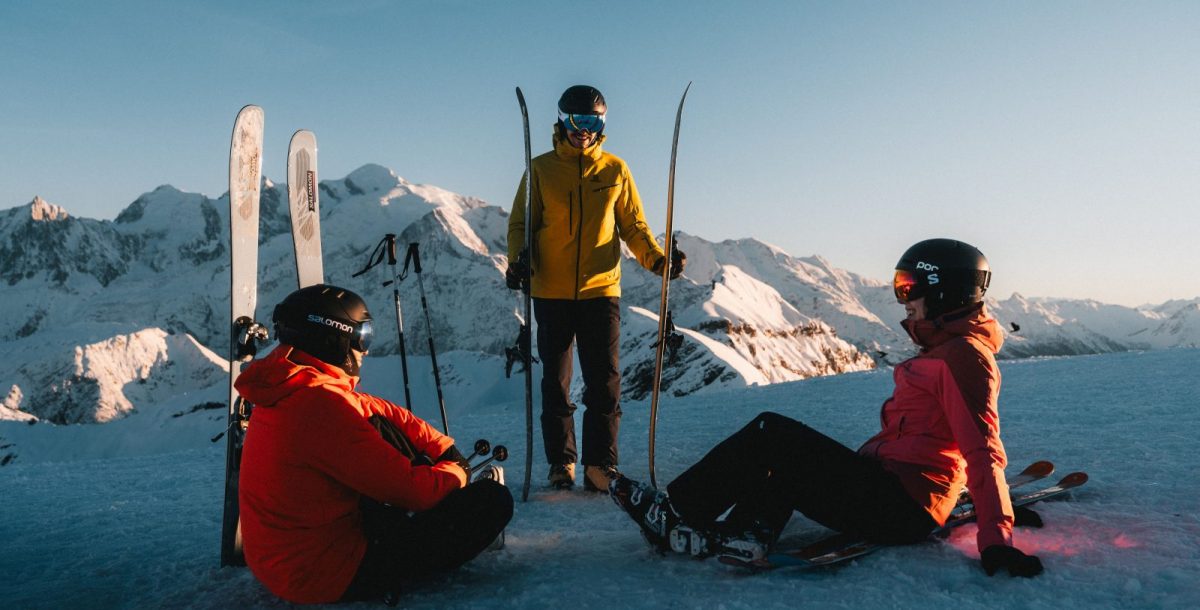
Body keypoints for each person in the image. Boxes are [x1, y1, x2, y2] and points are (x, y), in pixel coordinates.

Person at [609, 238, 1046, 578]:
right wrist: (963, 494)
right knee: (786, 467)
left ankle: (676, 512)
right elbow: (938, 442)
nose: (902, 298)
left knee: (771, 433)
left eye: (909, 286)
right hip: (895, 491)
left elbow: (981, 447)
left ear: (945, 292)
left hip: (901, 507)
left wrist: (996, 536)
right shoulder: (944, 349)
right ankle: (741, 534)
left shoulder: (961, 356)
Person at [236, 284, 513, 604]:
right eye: (361, 337)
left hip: (283, 564)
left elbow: (374, 409)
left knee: (381, 428)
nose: (365, 349)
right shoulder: (322, 410)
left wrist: (443, 448)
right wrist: (457, 472)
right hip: (326, 574)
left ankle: (441, 488)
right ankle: (461, 504)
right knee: (492, 501)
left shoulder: (293, 387)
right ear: (333, 339)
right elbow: (415, 492)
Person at [506, 84, 687, 492]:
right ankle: (561, 464)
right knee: (556, 381)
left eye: (592, 122)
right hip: (550, 291)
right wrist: (519, 260)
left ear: (601, 125)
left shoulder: (616, 171)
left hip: (600, 290)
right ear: (561, 120)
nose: (582, 130)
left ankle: (600, 466)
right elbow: (522, 225)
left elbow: (634, 227)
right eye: (575, 120)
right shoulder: (539, 170)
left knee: (604, 381)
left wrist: (658, 260)